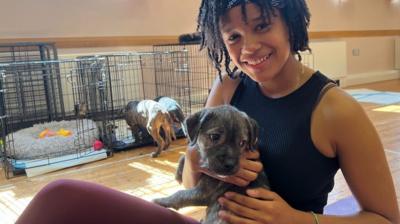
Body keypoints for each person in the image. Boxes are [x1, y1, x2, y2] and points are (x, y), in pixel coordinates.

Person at [16, 0, 399, 224]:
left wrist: (296, 220)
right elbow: (189, 184)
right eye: (233, 36)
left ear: (291, 24)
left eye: (262, 25)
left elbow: (386, 219)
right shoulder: (228, 88)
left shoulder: (336, 109)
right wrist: (206, 163)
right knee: (61, 195)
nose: (247, 46)